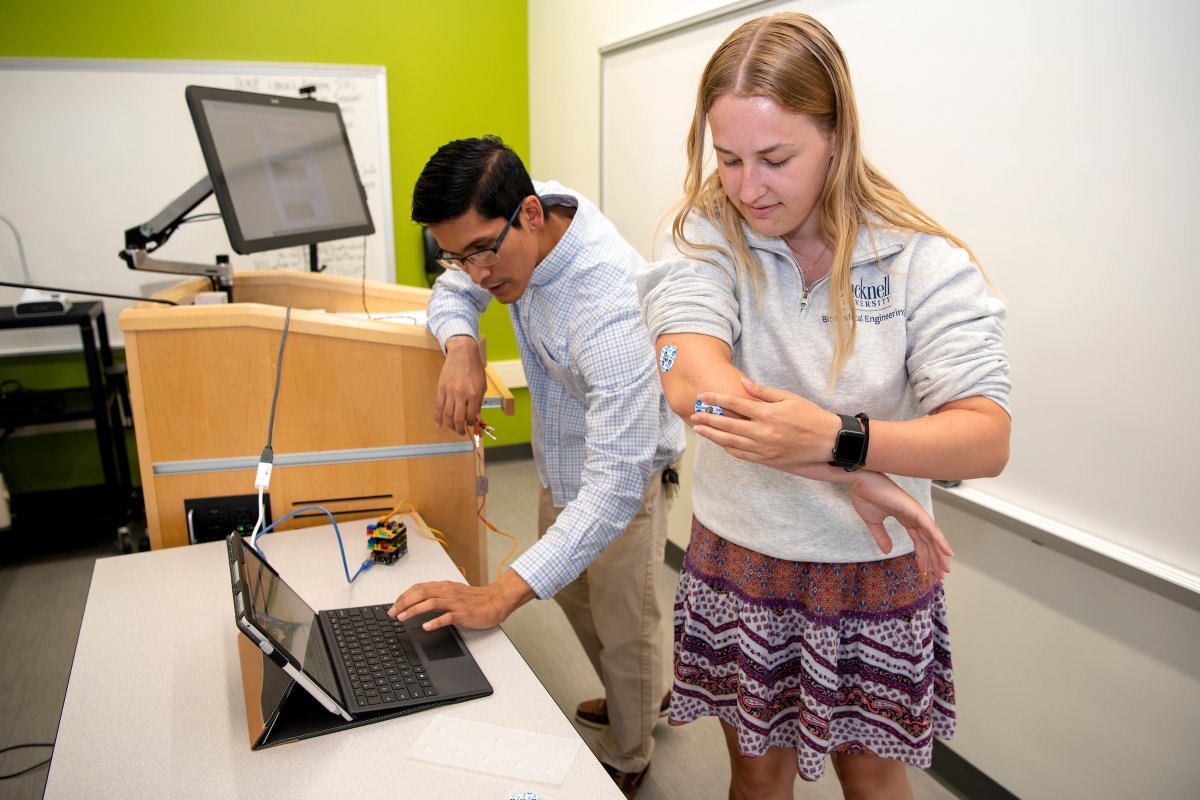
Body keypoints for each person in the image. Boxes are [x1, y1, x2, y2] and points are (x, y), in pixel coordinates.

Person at [638, 12, 1012, 800]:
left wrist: (843, 442)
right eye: (729, 157)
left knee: (873, 776)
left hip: (871, 572)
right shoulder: (704, 234)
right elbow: (689, 375)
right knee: (754, 771)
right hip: (744, 555)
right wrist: (849, 467)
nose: (747, 186)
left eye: (775, 158)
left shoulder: (921, 262)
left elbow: (984, 437)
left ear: (836, 134)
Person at [389, 136, 685, 797]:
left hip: (624, 480)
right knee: (577, 601)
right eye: (454, 256)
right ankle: (633, 691)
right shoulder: (519, 218)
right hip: (563, 459)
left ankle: (631, 751)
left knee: (624, 623)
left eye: (479, 254)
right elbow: (452, 294)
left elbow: (612, 489)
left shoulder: (608, 305)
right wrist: (463, 344)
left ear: (526, 216)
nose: (473, 275)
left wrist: (499, 595)